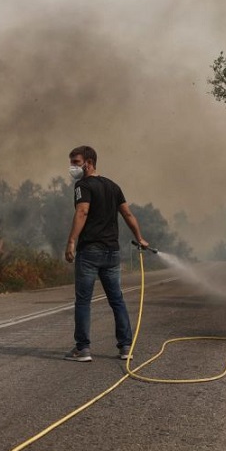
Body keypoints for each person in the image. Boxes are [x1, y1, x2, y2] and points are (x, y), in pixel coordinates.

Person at [64, 145, 148, 362]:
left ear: (89, 163)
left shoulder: (82, 185)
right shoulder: (113, 186)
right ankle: (126, 347)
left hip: (90, 251)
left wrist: (71, 241)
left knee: (83, 301)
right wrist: (139, 237)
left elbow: (82, 211)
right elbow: (128, 214)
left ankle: (82, 349)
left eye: (76, 162)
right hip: (112, 253)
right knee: (117, 300)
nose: (72, 167)